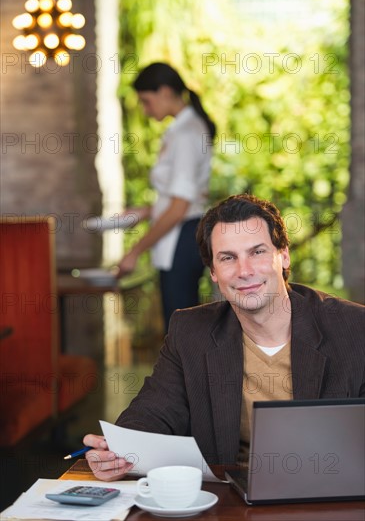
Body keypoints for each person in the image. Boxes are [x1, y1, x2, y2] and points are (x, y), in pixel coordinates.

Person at [83, 193, 365, 481]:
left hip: (331, 494)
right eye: (228, 258)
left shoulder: (355, 328)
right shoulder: (191, 332)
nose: (245, 271)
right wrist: (118, 451)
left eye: (257, 252)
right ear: (214, 272)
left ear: (283, 255)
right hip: (229, 501)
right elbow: (153, 412)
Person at [116, 62, 216, 331]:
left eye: (146, 101)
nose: (145, 110)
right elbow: (181, 197)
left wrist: (135, 252)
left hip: (182, 238)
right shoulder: (184, 129)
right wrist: (147, 211)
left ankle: (191, 376)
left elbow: (179, 207)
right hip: (183, 234)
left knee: (181, 332)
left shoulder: (186, 133)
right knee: (183, 330)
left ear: (165, 92)